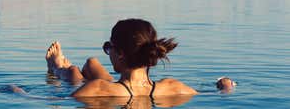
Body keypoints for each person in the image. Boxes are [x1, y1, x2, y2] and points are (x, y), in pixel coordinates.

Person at [45, 18, 199, 102]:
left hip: (116, 90)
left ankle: (57, 67)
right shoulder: (173, 87)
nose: (108, 52)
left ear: (120, 53)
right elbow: (211, 93)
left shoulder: (97, 88)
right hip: (124, 88)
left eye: (108, 47)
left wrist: (19, 90)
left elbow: (50, 99)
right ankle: (66, 69)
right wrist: (224, 87)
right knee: (92, 62)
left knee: (74, 74)